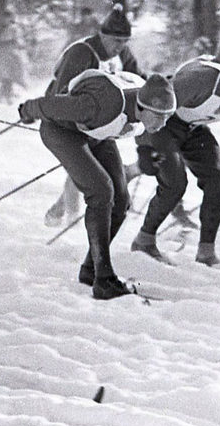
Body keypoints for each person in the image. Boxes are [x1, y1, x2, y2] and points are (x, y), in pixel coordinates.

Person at [17, 71, 177, 299]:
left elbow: (141, 133)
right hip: (62, 131)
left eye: (167, 117)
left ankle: (90, 269)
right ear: (141, 107)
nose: (162, 124)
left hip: (98, 134)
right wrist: (27, 110)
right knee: (101, 192)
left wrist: (148, 156)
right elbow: (50, 105)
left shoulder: (144, 109)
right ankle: (104, 279)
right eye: (158, 117)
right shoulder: (104, 104)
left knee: (121, 201)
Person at [131, 45, 220, 267]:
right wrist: (143, 147)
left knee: (217, 181)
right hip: (164, 125)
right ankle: (144, 240)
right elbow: (149, 107)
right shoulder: (201, 80)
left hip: (193, 129)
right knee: (175, 183)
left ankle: (206, 253)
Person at [41, 5, 145, 227]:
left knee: (89, 172)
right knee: (82, 169)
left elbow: (136, 79)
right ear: (102, 35)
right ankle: (69, 218)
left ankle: (60, 210)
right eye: (116, 41)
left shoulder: (120, 55)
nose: (121, 47)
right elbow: (61, 92)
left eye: (125, 41)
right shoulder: (82, 53)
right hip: (68, 121)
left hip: (97, 123)